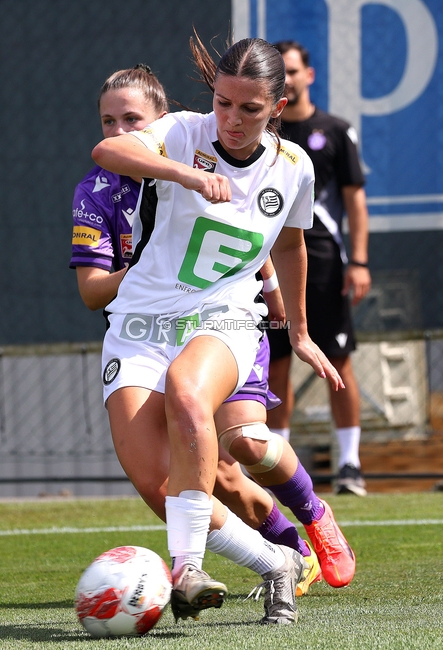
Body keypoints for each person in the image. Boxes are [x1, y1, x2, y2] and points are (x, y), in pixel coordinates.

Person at [72, 64, 356, 597]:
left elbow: (289, 246)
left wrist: (298, 332)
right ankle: (278, 558)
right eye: (223, 103)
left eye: (249, 108)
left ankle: (197, 564)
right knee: (157, 482)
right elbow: (105, 154)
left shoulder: (293, 165)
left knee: (226, 425)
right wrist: (185, 174)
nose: (231, 118)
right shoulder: (181, 133)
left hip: (222, 314)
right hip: (140, 325)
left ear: (277, 107)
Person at [267, 40, 373, 497]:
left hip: (327, 264)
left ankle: (349, 465)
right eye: (279, 73)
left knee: (339, 361)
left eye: (293, 70)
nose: (287, 79)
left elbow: (355, 200)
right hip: (268, 264)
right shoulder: (262, 135)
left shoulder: (335, 131)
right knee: (275, 366)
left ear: (309, 75)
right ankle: (279, 470)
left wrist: (361, 261)